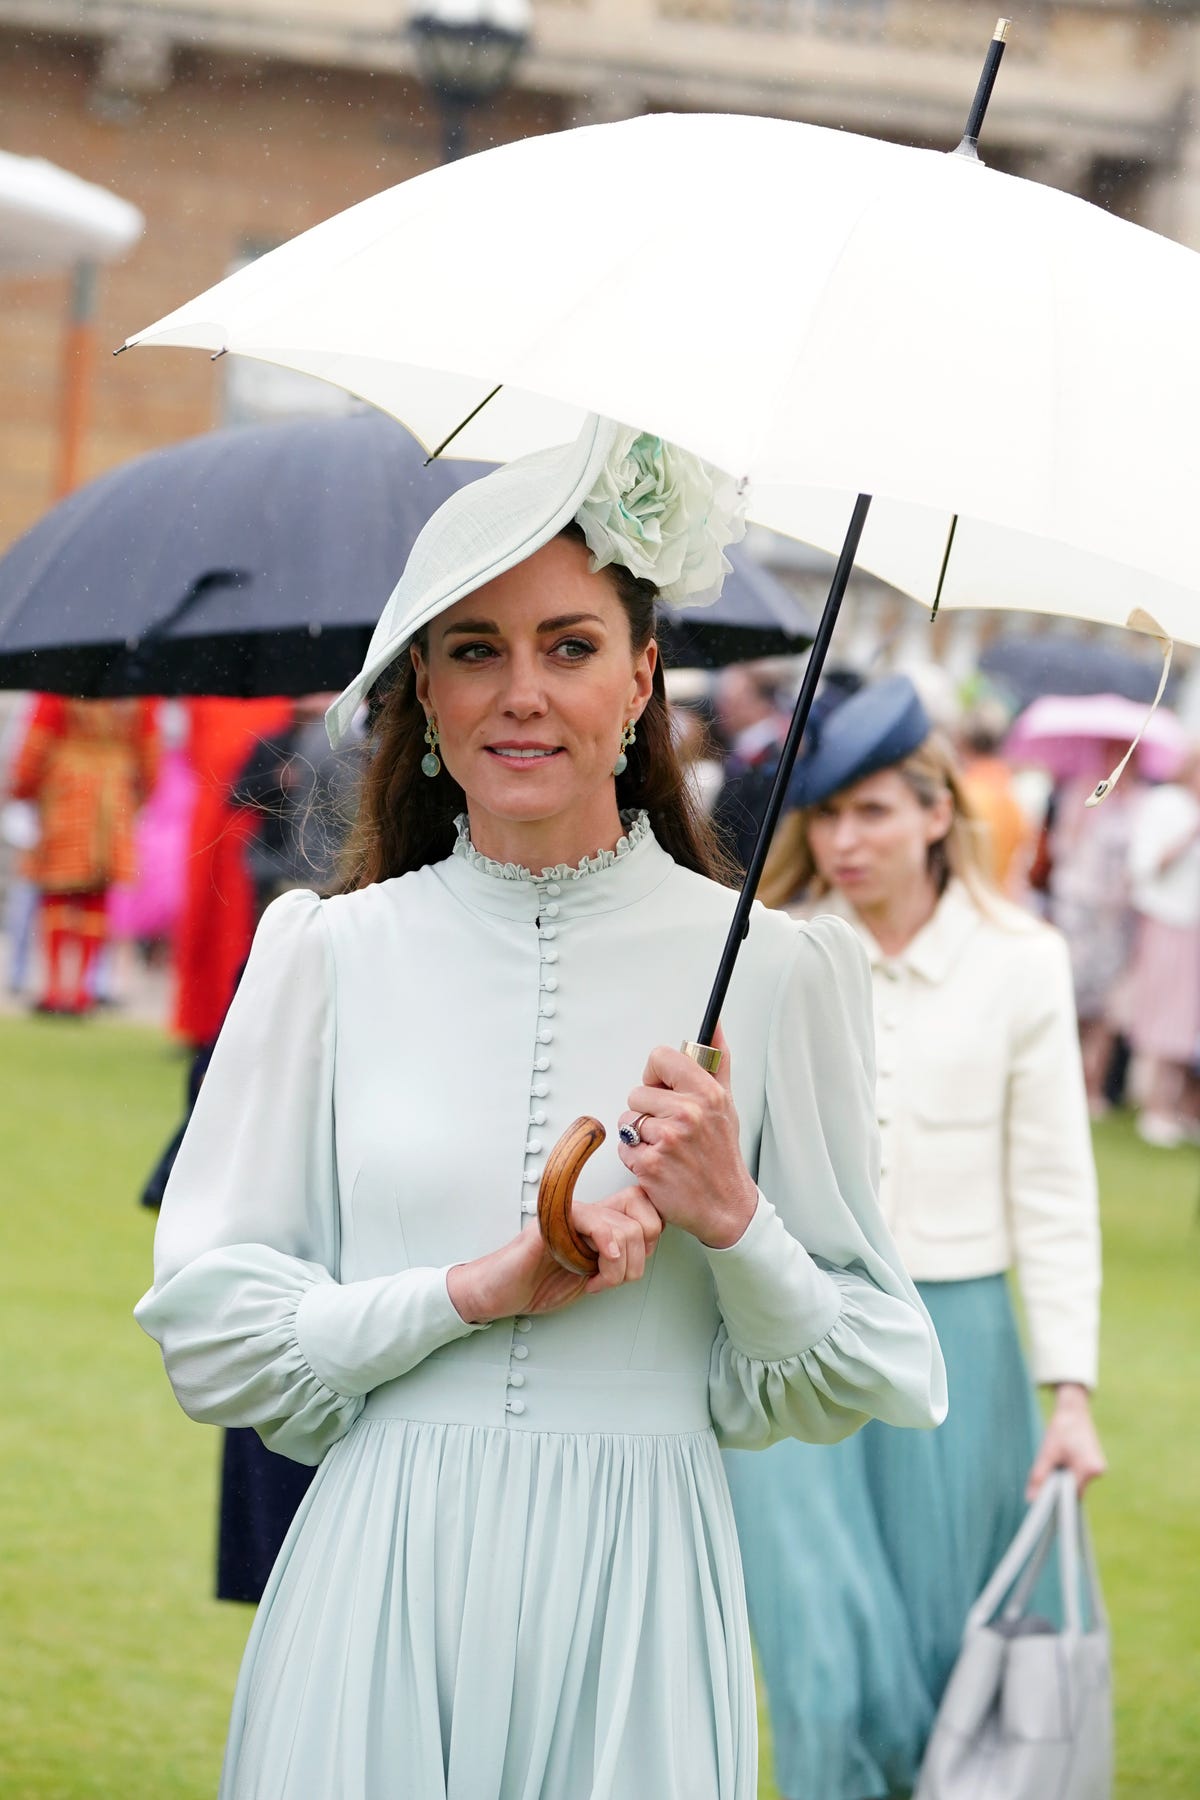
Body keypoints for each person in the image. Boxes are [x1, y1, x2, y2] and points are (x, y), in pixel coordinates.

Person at [136, 419, 944, 1800]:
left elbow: (870, 1362)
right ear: (428, 698)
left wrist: (735, 1221)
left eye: (568, 647)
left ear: (641, 681)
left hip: (639, 1603)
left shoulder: (780, 970)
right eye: (475, 650)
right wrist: (469, 1291)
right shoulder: (324, 954)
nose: (522, 692)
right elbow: (214, 1331)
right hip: (376, 1582)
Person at [729, 675, 1104, 1800]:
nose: (844, 841)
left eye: (874, 811)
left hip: (959, 1348)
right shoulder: (772, 955)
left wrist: (1071, 1391)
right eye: (827, 814)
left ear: (939, 811)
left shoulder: (1023, 960)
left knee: (948, 1669)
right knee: (827, 1676)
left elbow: (1053, 1188)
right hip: (795, 1333)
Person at [9, 695, 158, 1014]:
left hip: (67, 789)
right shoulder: (139, 686)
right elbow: (149, 752)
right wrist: (138, 794)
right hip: (115, 791)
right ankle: (80, 989)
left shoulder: (60, 678)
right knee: (96, 894)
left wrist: (23, 787)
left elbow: (37, 741)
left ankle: (55, 987)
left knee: (57, 891)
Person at [1123, 747, 1200, 1146]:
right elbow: (1145, 864)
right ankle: (1152, 1106)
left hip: (1191, 925)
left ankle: (1171, 1108)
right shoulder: (1166, 805)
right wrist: (1188, 836)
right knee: (1161, 1011)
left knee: (1183, 1019)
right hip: (1165, 919)